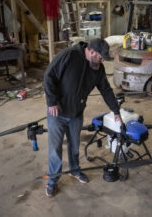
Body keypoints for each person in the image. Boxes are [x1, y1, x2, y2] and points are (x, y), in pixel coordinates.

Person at [44, 38, 122, 197]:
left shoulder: (97, 68)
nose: (102, 61)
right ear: (92, 52)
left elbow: (106, 90)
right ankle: (52, 180)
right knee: (55, 149)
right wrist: (51, 101)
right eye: (100, 57)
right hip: (57, 113)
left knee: (74, 146)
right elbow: (49, 75)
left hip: (76, 114)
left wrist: (115, 111)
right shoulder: (69, 55)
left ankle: (75, 170)